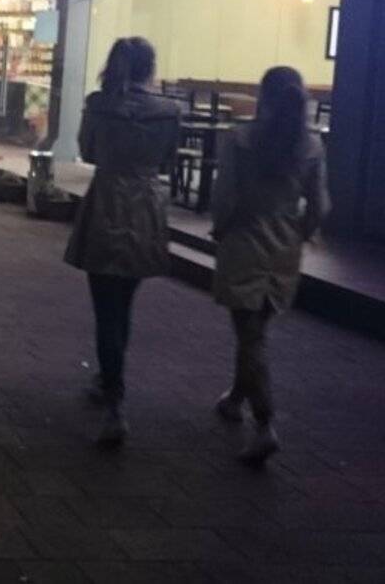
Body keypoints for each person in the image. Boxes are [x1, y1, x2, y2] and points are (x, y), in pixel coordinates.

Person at [63, 37, 180, 448]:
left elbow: (87, 151)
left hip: (108, 201)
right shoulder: (169, 111)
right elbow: (168, 159)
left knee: (105, 307)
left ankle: (113, 395)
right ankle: (111, 380)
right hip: (146, 205)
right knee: (125, 303)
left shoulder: (99, 105)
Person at [209, 67, 329, 465]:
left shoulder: (241, 140)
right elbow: (320, 204)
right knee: (255, 328)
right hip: (284, 244)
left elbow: (225, 194)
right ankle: (235, 397)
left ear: (263, 96)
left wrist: (220, 228)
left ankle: (264, 423)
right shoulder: (310, 145)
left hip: (245, 238)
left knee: (249, 333)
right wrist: (301, 232)